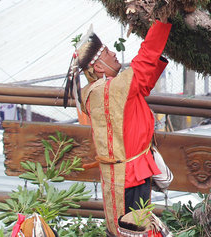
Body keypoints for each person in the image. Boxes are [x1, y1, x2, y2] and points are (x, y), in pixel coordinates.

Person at [63, 20, 172, 236]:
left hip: (129, 172)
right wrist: (163, 20)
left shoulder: (106, 91)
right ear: (98, 67)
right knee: (134, 228)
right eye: (106, 52)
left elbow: (143, 84)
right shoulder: (110, 91)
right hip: (129, 176)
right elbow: (145, 58)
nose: (114, 54)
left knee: (131, 226)